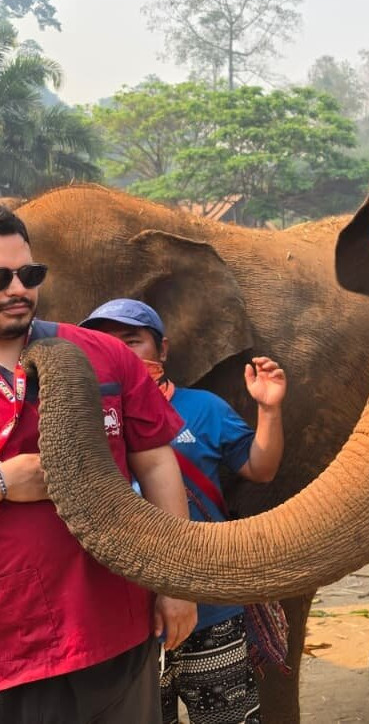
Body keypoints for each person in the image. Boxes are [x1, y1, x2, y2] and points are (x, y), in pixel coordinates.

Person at [0, 208, 196, 723]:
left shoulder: (105, 355)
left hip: (115, 626)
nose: (17, 289)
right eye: (0, 278)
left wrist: (176, 584)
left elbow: (156, 466)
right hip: (11, 648)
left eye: (29, 275)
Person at [82, 298, 287, 724]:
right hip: (126, 616)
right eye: (105, 342)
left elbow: (260, 468)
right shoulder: (84, 417)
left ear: (163, 350)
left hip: (210, 605)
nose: (120, 351)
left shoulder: (204, 409)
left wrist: (269, 408)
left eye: (133, 341)